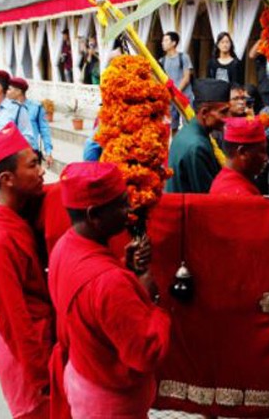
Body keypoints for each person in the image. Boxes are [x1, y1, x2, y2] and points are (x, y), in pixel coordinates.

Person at [48, 162, 170, 419]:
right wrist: (149, 296)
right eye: (122, 204)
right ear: (94, 215)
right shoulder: (109, 281)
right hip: (110, 402)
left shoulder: (65, 245)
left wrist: (125, 268)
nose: (129, 211)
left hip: (84, 377)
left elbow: (93, 309)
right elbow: (147, 352)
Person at [0, 122, 53, 418]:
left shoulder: (17, 213)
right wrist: (42, 376)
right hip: (27, 357)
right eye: (33, 165)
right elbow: (12, 317)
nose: (42, 171)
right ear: (7, 179)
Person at [166, 79, 230, 193]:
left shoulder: (189, 132)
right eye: (223, 112)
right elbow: (205, 196)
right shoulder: (197, 146)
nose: (228, 118)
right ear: (205, 113)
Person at [210, 117, 268, 196]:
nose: (266, 158)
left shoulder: (225, 181)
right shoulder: (240, 195)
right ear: (243, 152)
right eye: (262, 151)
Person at [7, 77, 54, 166]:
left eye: (9, 89)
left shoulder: (36, 107)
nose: (6, 92)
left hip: (31, 151)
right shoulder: (7, 108)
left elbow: (44, 129)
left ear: (18, 91)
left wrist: (48, 152)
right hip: (13, 153)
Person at [160, 31, 194, 133]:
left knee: (188, 125)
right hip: (170, 99)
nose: (163, 43)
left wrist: (176, 92)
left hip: (184, 96)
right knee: (172, 126)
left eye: (166, 40)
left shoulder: (183, 57)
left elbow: (186, 77)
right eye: (162, 40)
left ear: (174, 43)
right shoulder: (162, 61)